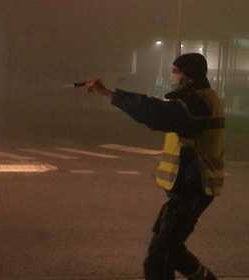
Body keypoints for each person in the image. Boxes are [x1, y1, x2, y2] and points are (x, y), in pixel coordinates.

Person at [85, 53, 225, 280]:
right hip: (185, 189)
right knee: (171, 251)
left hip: (193, 188)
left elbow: (155, 113)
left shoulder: (198, 103)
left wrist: (109, 93)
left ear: (188, 76)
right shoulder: (197, 100)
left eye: (176, 72)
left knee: (157, 260)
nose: (172, 77)